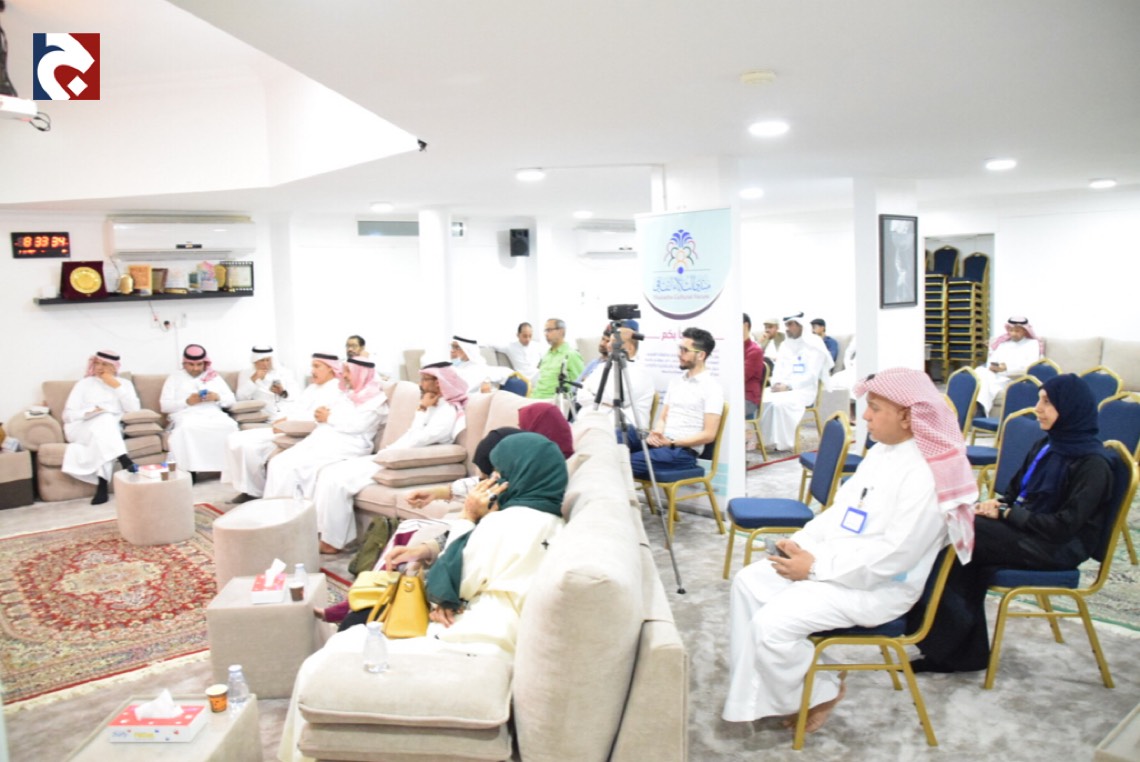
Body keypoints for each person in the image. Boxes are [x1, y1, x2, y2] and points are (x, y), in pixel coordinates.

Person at [279, 432, 567, 762]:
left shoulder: (508, 523)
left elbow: (451, 582)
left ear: (518, 476)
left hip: (468, 639)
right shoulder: (552, 522)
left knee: (318, 665)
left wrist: (467, 517)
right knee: (351, 637)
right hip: (495, 635)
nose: (490, 484)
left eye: (498, 476)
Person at [723, 367, 977, 733]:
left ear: (907, 416)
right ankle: (764, 692)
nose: (866, 416)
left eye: (875, 407)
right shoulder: (883, 452)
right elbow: (840, 512)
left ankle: (820, 691)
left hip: (880, 587)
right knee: (749, 581)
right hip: (838, 565)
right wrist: (801, 544)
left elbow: (896, 557)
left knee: (771, 626)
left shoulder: (926, 473)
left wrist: (813, 568)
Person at [911, 373, 1114, 673]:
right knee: (958, 537)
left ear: (1070, 408)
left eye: (1047, 402)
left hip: (1057, 548)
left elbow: (1063, 527)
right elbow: (1016, 494)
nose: (1037, 408)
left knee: (960, 531)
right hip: (1031, 531)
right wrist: (998, 504)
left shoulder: (1093, 464)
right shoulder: (1049, 446)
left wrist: (1007, 514)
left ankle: (940, 642)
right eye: (1039, 400)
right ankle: (958, 652)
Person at [309, 363, 468, 553]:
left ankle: (332, 542)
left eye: (426, 380)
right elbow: (414, 433)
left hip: (402, 460)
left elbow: (422, 439)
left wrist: (421, 411)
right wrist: (422, 409)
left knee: (338, 480)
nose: (421, 384)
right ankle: (327, 535)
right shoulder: (432, 405)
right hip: (392, 455)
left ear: (439, 383)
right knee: (329, 472)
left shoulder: (447, 410)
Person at [222, 352, 345, 503]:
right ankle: (249, 489)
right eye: (312, 366)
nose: (312, 371)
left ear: (331, 368)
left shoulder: (335, 390)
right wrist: (285, 420)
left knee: (248, 445)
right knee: (235, 438)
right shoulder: (313, 387)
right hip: (286, 425)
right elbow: (296, 407)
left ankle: (254, 492)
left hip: (299, 432)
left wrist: (286, 423)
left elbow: (318, 417)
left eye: (316, 366)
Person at [263, 357, 388, 501]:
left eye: (348, 371)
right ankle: (277, 510)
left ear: (361, 374)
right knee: (278, 463)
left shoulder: (376, 399)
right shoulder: (348, 393)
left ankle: (294, 510)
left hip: (350, 444)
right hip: (325, 438)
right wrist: (321, 414)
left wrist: (329, 417)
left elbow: (357, 425)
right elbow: (329, 412)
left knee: (291, 467)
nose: (344, 375)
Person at [630, 327, 723, 476]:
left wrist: (672, 443)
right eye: (680, 348)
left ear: (701, 355)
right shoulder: (676, 382)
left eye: (685, 350)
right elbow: (663, 418)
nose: (679, 354)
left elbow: (709, 435)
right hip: (663, 443)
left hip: (682, 452)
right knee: (621, 435)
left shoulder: (712, 388)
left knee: (623, 462)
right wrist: (658, 431)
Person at [60, 350, 140, 504]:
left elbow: (134, 410)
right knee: (104, 420)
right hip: (81, 428)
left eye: (105, 364)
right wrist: (89, 412)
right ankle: (123, 458)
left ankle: (102, 486)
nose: (99, 367)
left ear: (114, 367)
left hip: (110, 430)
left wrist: (116, 386)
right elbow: (67, 415)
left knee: (104, 431)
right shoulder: (84, 384)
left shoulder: (124, 384)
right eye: (97, 363)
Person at [160, 344, 237, 478]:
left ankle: (228, 471)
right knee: (187, 429)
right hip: (186, 414)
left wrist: (217, 397)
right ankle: (190, 471)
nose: (195, 368)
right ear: (184, 363)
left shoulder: (214, 377)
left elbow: (232, 400)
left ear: (205, 363)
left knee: (230, 426)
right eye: (191, 364)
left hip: (213, 413)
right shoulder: (174, 378)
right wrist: (187, 402)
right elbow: (164, 406)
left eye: (199, 364)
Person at [759, 313, 834, 451]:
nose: (787, 328)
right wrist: (776, 383)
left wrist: (788, 386)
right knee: (762, 399)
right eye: (786, 325)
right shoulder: (785, 345)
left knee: (780, 404)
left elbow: (812, 376)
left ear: (800, 325)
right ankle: (766, 441)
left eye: (790, 325)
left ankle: (783, 443)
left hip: (804, 390)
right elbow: (777, 369)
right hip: (782, 388)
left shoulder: (814, 345)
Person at [576, 321, 654, 429]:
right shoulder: (603, 366)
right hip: (593, 423)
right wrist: (603, 401)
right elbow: (581, 394)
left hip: (625, 428)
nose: (608, 345)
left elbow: (616, 398)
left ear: (630, 348)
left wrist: (594, 395)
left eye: (614, 342)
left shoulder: (641, 373)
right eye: (609, 341)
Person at [974, 316, 1044, 415]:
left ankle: (979, 411)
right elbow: (991, 361)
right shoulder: (1002, 344)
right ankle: (978, 409)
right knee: (979, 371)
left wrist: (1007, 368)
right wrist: (993, 367)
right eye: (1011, 330)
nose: (1013, 333)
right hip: (996, 376)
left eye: (1017, 331)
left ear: (1025, 331)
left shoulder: (1032, 344)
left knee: (985, 383)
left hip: (1014, 379)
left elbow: (1031, 367)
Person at [235, 345, 300, 419]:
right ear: (255, 361)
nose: (265, 364)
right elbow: (240, 398)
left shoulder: (284, 372)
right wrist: (254, 379)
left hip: (288, 409)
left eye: (268, 360)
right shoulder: (246, 373)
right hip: (267, 413)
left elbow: (296, 394)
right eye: (262, 360)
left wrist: (282, 392)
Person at [531, 318, 585, 400]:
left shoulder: (571, 355)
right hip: (534, 398)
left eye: (549, 330)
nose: (546, 334)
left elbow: (580, 386)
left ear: (561, 331)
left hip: (553, 401)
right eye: (545, 331)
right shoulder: (547, 354)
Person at [743, 313, 766, 419]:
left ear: (746, 326)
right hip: (735, 395)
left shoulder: (754, 350)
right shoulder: (733, 348)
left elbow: (742, 377)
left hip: (748, 398)